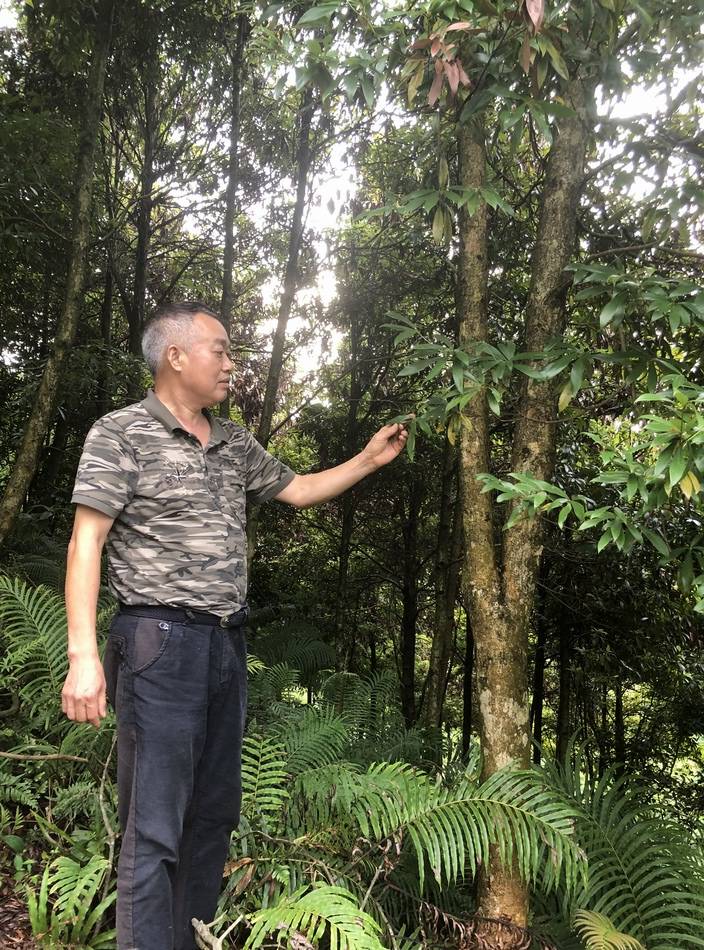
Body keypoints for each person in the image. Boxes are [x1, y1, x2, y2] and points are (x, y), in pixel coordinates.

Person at [60, 301, 407, 950]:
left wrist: (365, 460)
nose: (230, 362)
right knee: (154, 827)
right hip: (156, 644)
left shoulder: (233, 441)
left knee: (213, 817)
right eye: (218, 349)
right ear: (175, 356)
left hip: (225, 645)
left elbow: (298, 489)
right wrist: (84, 655)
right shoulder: (121, 432)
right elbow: (87, 543)